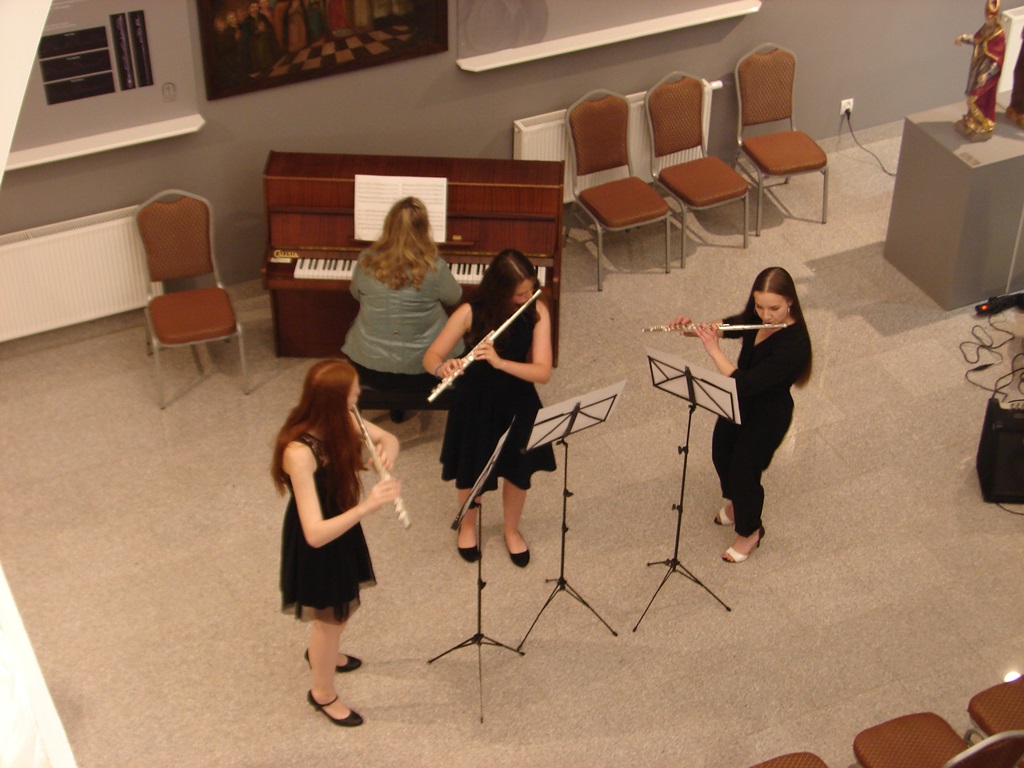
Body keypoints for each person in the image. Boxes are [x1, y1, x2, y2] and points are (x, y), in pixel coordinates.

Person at [272, 359, 401, 726]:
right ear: (333, 400)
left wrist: (386, 452)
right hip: (321, 537)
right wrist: (369, 505)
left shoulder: (342, 419)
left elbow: (388, 438)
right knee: (330, 620)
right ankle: (323, 693)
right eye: (353, 393)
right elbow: (314, 534)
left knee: (339, 612)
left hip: (341, 524)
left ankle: (323, 652)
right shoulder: (299, 453)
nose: (358, 398)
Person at [423, 249, 556, 567]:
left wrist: (500, 362)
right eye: (519, 293)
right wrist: (443, 368)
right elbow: (431, 356)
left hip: (518, 397)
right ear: (499, 290)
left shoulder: (536, 309)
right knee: (472, 470)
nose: (526, 297)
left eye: (530, 288)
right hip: (475, 401)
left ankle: (511, 530)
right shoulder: (470, 312)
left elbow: (542, 373)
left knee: (518, 472)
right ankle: (468, 526)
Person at [670, 266, 812, 564]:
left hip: (767, 414)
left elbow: (744, 383)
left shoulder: (795, 344)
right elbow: (730, 325)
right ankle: (737, 502)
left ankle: (750, 531)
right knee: (721, 453)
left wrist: (713, 350)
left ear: (790, 301)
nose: (765, 315)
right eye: (759, 306)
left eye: (774, 308)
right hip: (738, 402)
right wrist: (693, 329)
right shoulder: (757, 317)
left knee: (744, 472)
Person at [341, 196, 463, 421]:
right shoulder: (434, 267)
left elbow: (356, 294)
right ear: (424, 230)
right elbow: (454, 297)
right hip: (424, 371)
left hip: (369, 366)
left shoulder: (366, 260)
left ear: (388, 225)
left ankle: (394, 403)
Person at [954, 0, 1006, 141]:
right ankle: (972, 120)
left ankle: (984, 123)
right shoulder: (985, 29)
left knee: (977, 99)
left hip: (986, 74)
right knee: (973, 97)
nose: (987, 20)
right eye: (986, 17)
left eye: (990, 18)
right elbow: (977, 40)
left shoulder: (999, 36)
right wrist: (963, 38)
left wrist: (987, 75)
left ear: (995, 18)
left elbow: (998, 61)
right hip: (977, 69)